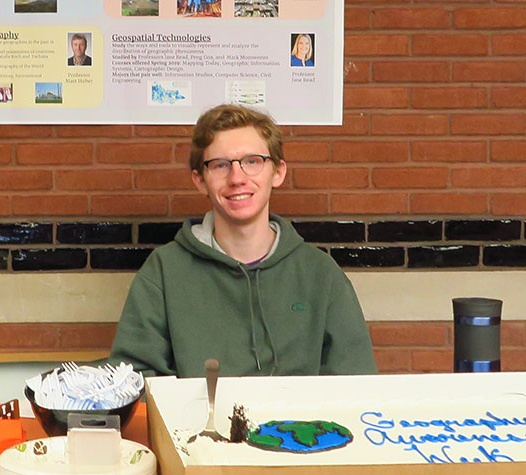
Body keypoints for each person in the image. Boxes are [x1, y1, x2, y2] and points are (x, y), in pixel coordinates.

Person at [109, 104, 376, 378]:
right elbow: (136, 382)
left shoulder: (321, 273)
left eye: (252, 161)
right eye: (220, 165)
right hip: (200, 422)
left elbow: (355, 385)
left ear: (278, 172)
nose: (237, 178)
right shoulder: (164, 272)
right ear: (200, 180)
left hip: (299, 422)